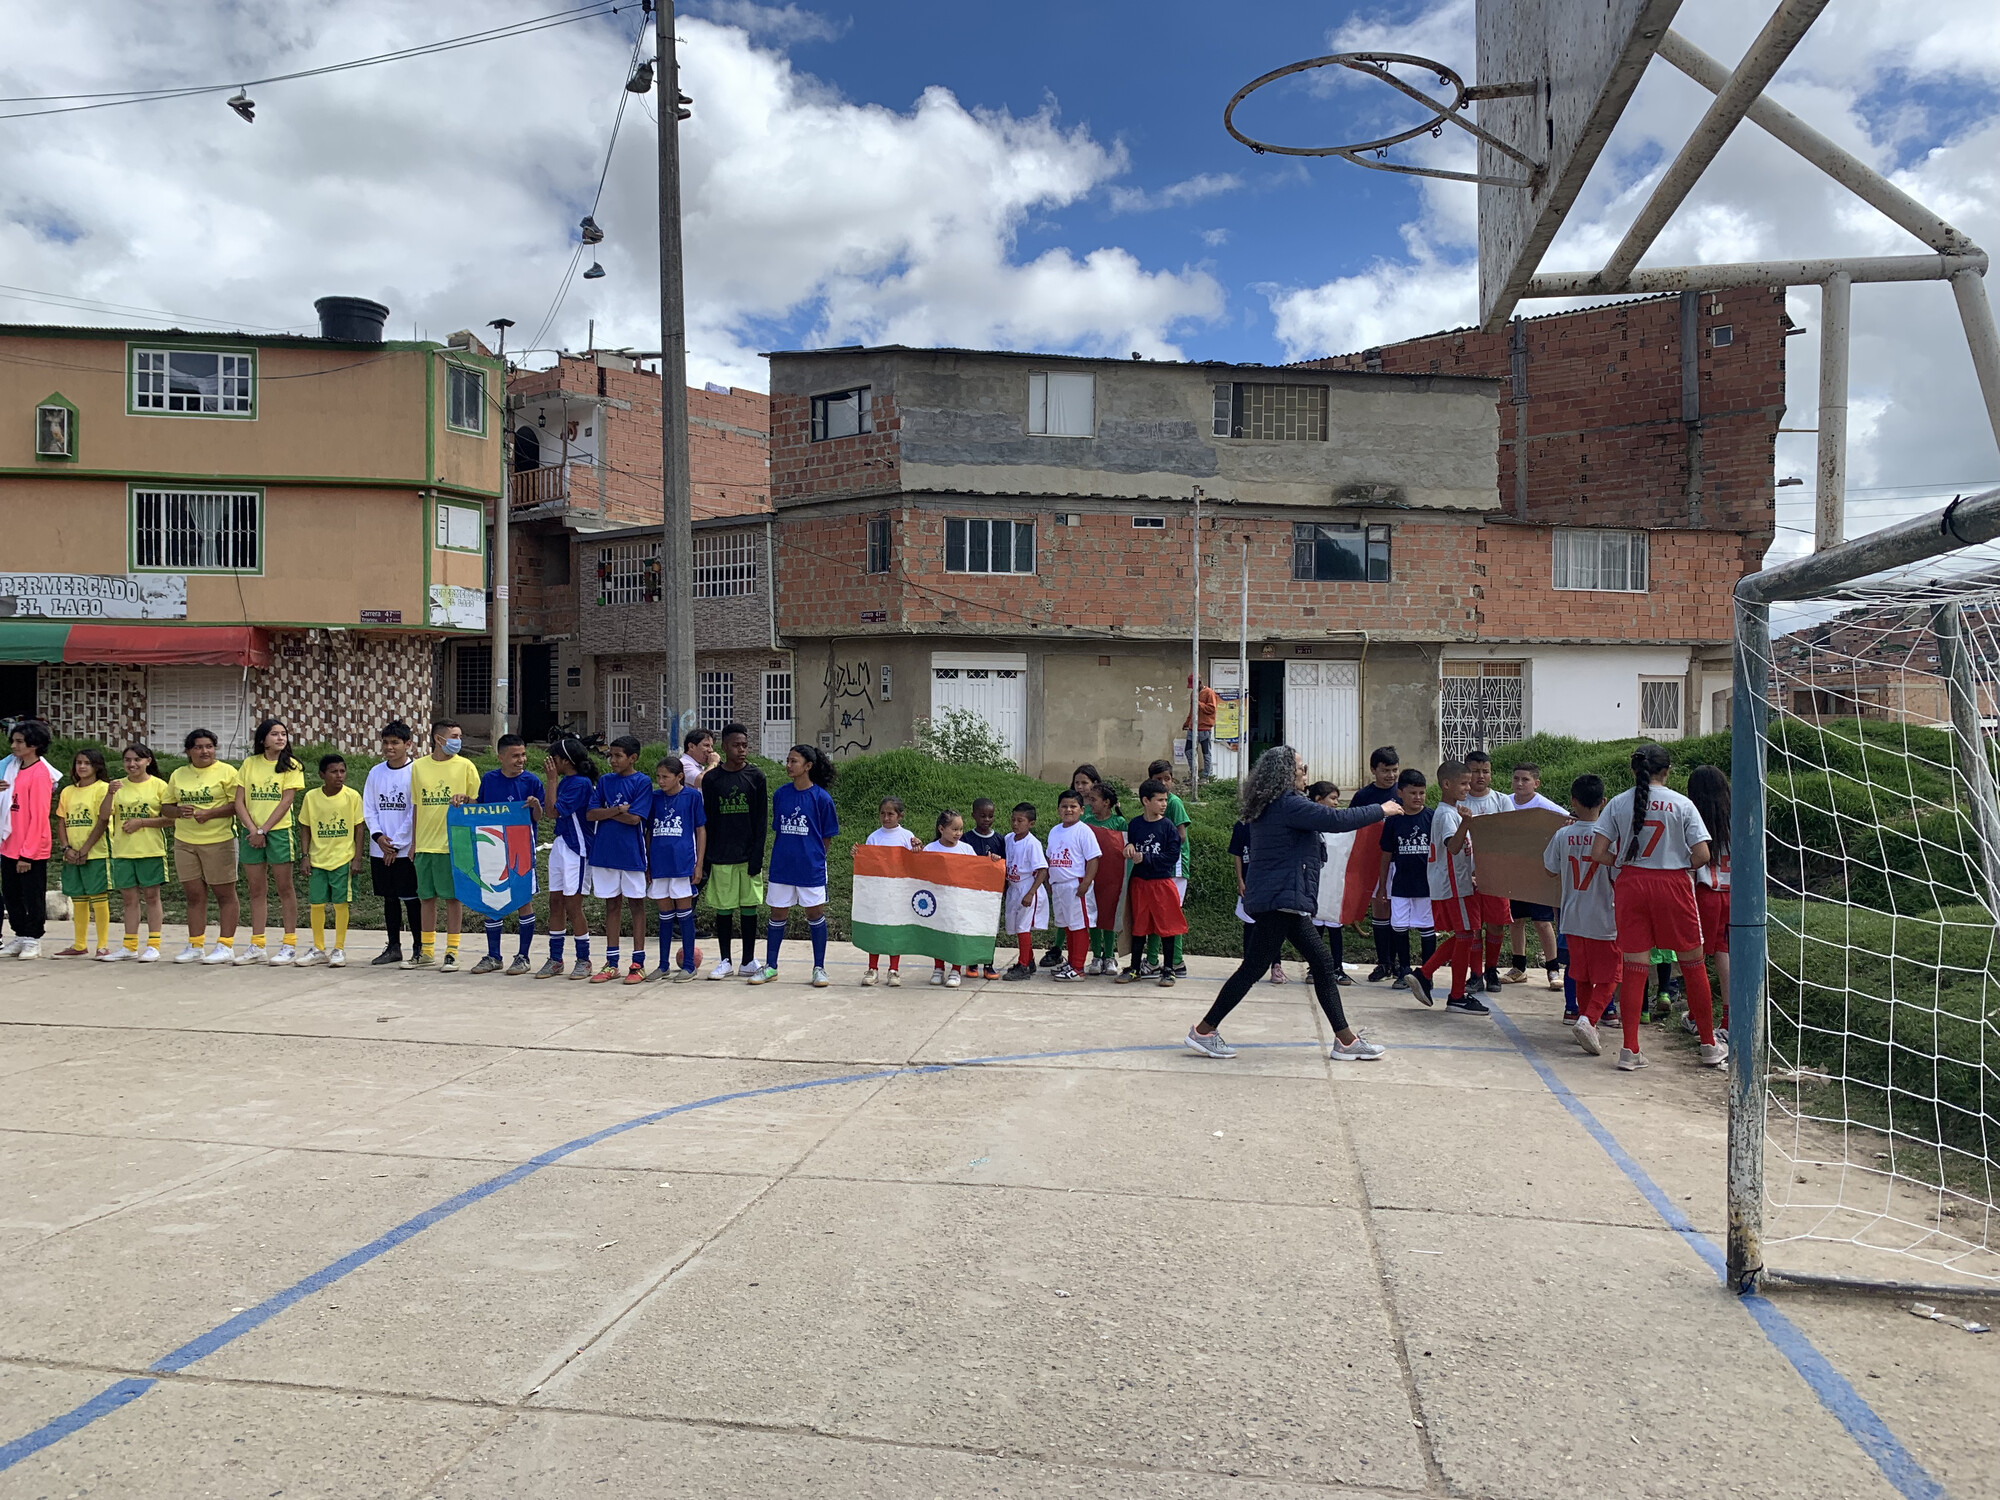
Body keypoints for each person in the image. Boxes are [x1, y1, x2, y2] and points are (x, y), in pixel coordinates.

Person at [1185, 746, 1388, 1060]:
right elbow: (1338, 820)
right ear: (1285, 773)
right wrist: (1382, 809)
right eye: (1301, 768)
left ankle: (1345, 1040)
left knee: (1313, 964)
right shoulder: (1288, 804)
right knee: (1258, 968)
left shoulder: (1271, 804)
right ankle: (1204, 1031)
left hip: (1281, 898)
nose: (1305, 773)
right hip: (1280, 899)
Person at [1590, 743, 1727, 1070]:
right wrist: (1681, 864)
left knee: (1635, 967)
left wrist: (1622, 863)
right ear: (1667, 771)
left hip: (1631, 884)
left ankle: (1630, 1050)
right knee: (1693, 964)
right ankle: (1708, 1044)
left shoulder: (1618, 804)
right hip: (1673, 883)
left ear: (1632, 769)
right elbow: (1703, 855)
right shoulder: (1682, 803)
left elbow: (1598, 852)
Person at [752, 743, 839, 988]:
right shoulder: (781, 794)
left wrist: (816, 858)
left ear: (808, 766)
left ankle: (819, 968)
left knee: (814, 913)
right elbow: (779, 829)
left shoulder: (822, 798)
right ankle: (771, 967)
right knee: (777, 913)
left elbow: (827, 836)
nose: (788, 765)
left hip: (810, 867)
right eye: (787, 760)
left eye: (794, 761)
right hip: (782, 865)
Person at [1407, 761, 1487, 1014]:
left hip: (1460, 882)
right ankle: (1455, 995)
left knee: (1467, 935)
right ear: (1446, 784)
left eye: (1469, 782)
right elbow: (1453, 847)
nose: (1468, 787)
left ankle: (1426, 975)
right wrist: (1466, 823)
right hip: (1454, 885)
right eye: (1463, 783)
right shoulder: (1446, 814)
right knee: (1466, 935)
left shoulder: (1452, 811)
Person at [1550, 775, 1622, 1056]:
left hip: (1572, 914)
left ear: (1572, 802)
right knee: (1611, 974)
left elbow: (1549, 868)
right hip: (1604, 916)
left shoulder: (1563, 834)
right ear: (1603, 802)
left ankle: (1586, 1019)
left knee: (1581, 973)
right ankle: (1588, 1019)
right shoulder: (1610, 837)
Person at [408, 719, 482, 973]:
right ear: (439, 739)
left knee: (452, 899)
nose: (458, 741)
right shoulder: (418, 767)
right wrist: (414, 843)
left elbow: (478, 805)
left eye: (460, 736)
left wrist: (467, 799)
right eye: (454, 736)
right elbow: (417, 805)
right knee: (426, 898)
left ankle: (452, 951)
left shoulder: (466, 766)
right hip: (425, 845)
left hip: (454, 844)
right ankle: (426, 951)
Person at [163, 727, 241, 966]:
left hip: (219, 840)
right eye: (198, 747)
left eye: (209, 746)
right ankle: (195, 944)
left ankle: (225, 944)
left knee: (224, 894)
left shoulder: (228, 772)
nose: (204, 751)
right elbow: (166, 807)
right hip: (185, 841)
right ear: (189, 751)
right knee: (194, 895)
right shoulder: (178, 774)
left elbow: (237, 805)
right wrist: (178, 811)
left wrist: (211, 813)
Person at [472, 734, 545, 975]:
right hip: (492, 848)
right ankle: (493, 955)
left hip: (520, 848)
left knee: (523, 899)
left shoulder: (532, 781)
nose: (521, 760)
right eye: (515, 755)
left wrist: (535, 806)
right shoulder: (490, 779)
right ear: (500, 756)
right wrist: (464, 802)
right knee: (492, 899)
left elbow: (539, 818)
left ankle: (523, 956)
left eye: (523, 755)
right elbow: (481, 810)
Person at [235, 718, 304, 966]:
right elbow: (238, 801)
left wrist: (264, 830)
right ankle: (257, 943)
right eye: (274, 734)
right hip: (251, 832)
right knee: (256, 890)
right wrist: (253, 829)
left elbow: (286, 801)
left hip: (278, 832)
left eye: (283, 734)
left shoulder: (292, 765)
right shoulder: (249, 763)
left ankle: (289, 944)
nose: (280, 738)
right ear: (263, 739)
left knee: (285, 888)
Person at [700, 723, 767, 980]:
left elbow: (761, 821)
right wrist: (707, 858)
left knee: (749, 906)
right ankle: (725, 960)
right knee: (724, 908)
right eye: (736, 745)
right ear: (724, 747)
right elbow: (709, 820)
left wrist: (757, 855)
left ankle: (748, 960)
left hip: (747, 854)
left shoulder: (756, 777)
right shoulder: (713, 779)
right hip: (721, 855)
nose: (742, 750)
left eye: (745, 745)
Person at [587, 735, 654, 984]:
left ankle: (637, 963)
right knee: (611, 905)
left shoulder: (642, 782)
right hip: (605, 853)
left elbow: (635, 818)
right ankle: (612, 962)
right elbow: (591, 813)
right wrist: (617, 810)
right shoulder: (605, 781)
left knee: (636, 905)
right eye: (610, 755)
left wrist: (609, 813)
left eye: (618, 756)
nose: (612, 760)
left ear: (632, 758)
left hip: (632, 854)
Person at [97, 744, 167, 962]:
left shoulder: (159, 786)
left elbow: (171, 818)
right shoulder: (117, 786)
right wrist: (109, 793)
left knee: (152, 897)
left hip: (150, 850)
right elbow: (103, 815)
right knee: (128, 900)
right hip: (123, 851)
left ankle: (154, 944)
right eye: (127, 760)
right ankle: (129, 945)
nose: (132, 764)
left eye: (137, 759)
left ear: (148, 761)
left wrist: (142, 822)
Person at [297, 753, 367, 968]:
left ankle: (339, 948)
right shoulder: (311, 797)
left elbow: (359, 827)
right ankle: (319, 948)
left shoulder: (352, 796)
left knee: (340, 903)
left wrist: (357, 858)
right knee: (316, 904)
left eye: (342, 771)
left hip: (342, 859)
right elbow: (305, 827)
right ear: (321, 775)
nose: (339, 776)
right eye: (334, 772)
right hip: (318, 859)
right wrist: (305, 856)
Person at [1502, 763, 1567, 989]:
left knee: (1542, 921)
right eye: (1516, 778)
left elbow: (1568, 822)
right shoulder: (1504, 803)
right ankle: (1519, 967)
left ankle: (1553, 968)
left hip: (1539, 872)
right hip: (1513, 871)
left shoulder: (1547, 807)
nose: (1520, 783)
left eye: (1525, 780)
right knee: (1516, 920)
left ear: (1536, 783)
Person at [362, 721, 421, 967]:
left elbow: (414, 810)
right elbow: (369, 808)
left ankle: (419, 947)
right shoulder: (376, 773)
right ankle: (393, 946)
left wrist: (396, 844)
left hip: (405, 848)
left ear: (407, 744)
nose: (389, 747)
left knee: (411, 897)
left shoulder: (415, 772)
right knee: (389, 897)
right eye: (386, 742)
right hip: (380, 847)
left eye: (395, 742)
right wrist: (378, 837)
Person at [538, 737, 597, 980]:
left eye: (554, 758)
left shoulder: (580, 784)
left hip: (578, 848)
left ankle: (584, 959)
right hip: (562, 844)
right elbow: (547, 806)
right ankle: (555, 958)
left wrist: (551, 780)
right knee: (555, 901)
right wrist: (552, 783)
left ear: (565, 760)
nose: (550, 763)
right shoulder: (565, 782)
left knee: (573, 905)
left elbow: (552, 811)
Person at [1118, 779, 1186, 988]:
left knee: (1167, 927)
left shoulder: (1167, 827)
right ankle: (1135, 967)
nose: (1164, 804)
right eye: (1159, 800)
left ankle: (1169, 970)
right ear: (1145, 801)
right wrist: (1129, 847)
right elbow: (1130, 843)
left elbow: (1172, 855)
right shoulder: (1136, 824)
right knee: (1139, 927)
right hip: (1140, 883)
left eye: (1165, 799)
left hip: (1161, 883)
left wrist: (1145, 858)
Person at [645, 756, 707, 982]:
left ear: (679, 777)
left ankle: (689, 965)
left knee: (684, 915)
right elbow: (649, 832)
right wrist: (648, 863)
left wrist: (698, 864)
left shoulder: (691, 797)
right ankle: (663, 965)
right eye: (658, 777)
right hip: (660, 864)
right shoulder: (653, 798)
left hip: (682, 864)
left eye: (665, 777)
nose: (660, 781)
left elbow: (700, 831)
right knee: (665, 916)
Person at [1376, 769, 1437, 993]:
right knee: (1399, 927)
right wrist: (1383, 886)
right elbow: (1385, 855)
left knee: (1427, 929)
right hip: (1400, 885)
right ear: (1400, 793)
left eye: (1422, 792)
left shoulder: (1432, 818)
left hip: (1427, 887)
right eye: (1413, 793)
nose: (1418, 797)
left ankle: (1427, 973)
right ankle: (1403, 970)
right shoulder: (1393, 822)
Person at [1459, 750, 1512, 994]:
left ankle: (1491, 969)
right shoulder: (1458, 802)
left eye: (1485, 771)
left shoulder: (1501, 801)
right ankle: (1475, 974)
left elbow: (1511, 835)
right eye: (1475, 771)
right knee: (1472, 926)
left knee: (1495, 924)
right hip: (1465, 874)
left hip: (1496, 875)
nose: (1481, 776)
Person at [53, 748, 113, 958]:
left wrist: (86, 849)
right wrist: (66, 848)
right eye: (79, 762)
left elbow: (102, 821)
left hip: (96, 853)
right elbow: (61, 821)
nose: (82, 767)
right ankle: (79, 944)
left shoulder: (103, 789)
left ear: (97, 766)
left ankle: (103, 945)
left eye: (87, 763)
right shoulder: (68, 791)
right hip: (72, 854)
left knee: (98, 897)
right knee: (78, 898)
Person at [1042, 766, 1103, 968]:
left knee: (1079, 927)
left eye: (1073, 807)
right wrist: (1050, 882)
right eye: (1064, 806)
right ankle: (1071, 963)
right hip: (1059, 887)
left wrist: (1086, 883)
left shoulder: (1083, 831)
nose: (1068, 810)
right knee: (1067, 926)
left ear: (1081, 810)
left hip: (1076, 885)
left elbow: (1093, 859)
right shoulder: (1054, 831)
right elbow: (1050, 858)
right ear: (1058, 809)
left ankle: (1078, 967)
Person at [1686, 763, 1732, 1034]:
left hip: (1704, 893)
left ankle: (1696, 1015)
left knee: (1695, 956)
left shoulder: (1694, 817)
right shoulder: (1736, 816)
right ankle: (1728, 1020)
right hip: (1734, 893)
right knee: (1725, 955)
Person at [1350, 747, 1402, 982]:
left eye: (1394, 770)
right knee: (1380, 909)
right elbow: (1350, 828)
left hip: (1400, 861)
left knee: (1398, 913)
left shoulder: (1402, 793)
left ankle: (1400, 964)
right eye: (1385, 771)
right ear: (1373, 770)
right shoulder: (1363, 797)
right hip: (1372, 862)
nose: (1391, 775)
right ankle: (1384, 963)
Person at [1139, 757, 1193, 978]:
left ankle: (1177, 961)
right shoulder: (1152, 803)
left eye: (1167, 779)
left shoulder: (1173, 803)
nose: (1164, 783)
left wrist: (1158, 852)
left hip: (1174, 867)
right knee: (1154, 914)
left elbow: (1180, 836)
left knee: (1170, 915)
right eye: (1158, 779)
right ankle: (1152, 960)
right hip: (1158, 867)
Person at [860, 796, 921, 985]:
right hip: (878, 892)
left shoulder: (907, 836)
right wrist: (858, 856)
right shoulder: (874, 837)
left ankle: (893, 969)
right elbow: (867, 864)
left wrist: (917, 850)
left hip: (898, 892)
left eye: (891, 814)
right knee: (876, 929)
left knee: (895, 930)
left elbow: (914, 863)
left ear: (900, 815)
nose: (886, 818)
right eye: (882, 814)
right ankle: (872, 969)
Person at [1306, 781, 1353, 985]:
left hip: (1334, 883)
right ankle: (1314, 968)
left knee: (1335, 927)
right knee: (1316, 928)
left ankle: (1337, 967)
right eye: (1332, 799)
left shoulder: (1339, 823)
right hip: (1316, 883)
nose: (1336, 803)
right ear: (1318, 800)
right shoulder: (1308, 822)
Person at [1082, 782, 1128, 976]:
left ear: (1107, 802)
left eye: (1094, 800)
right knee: (1093, 914)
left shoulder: (1119, 823)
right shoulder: (1086, 822)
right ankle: (1096, 955)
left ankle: (1109, 956)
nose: (1090, 803)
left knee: (1109, 914)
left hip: (1113, 877)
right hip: (1092, 875)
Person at [1002, 801, 1049, 980]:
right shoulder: (1008, 839)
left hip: (1027, 887)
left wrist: (1030, 893)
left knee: (1023, 928)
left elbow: (1042, 869)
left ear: (1031, 823)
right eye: (1013, 819)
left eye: (1020, 820)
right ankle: (1028, 960)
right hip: (1013, 887)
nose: (1015, 824)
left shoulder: (1032, 844)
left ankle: (1023, 966)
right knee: (1015, 925)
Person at [962, 796, 1008, 979]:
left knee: (989, 928)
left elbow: (1005, 865)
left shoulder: (999, 839)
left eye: (990, 816)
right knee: (972, 926)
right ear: (973, 815)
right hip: (971, 892)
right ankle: (972, 962)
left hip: (991, 894)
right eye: (982, 816)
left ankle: (988, 963)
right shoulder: (966, 838)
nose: (987, 820)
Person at [1181, 674, 1219, 779]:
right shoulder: (1194, 693)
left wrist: (1199, 703)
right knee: (1188, 751)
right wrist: (1187, 721)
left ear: (1199, 682)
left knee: (1206, 753)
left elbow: (1212, 709)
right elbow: (1192, 710)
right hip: (1193, 728)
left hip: (1204, 728)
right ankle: (1194, 775)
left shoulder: (1209, 693)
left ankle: (1207, 776)